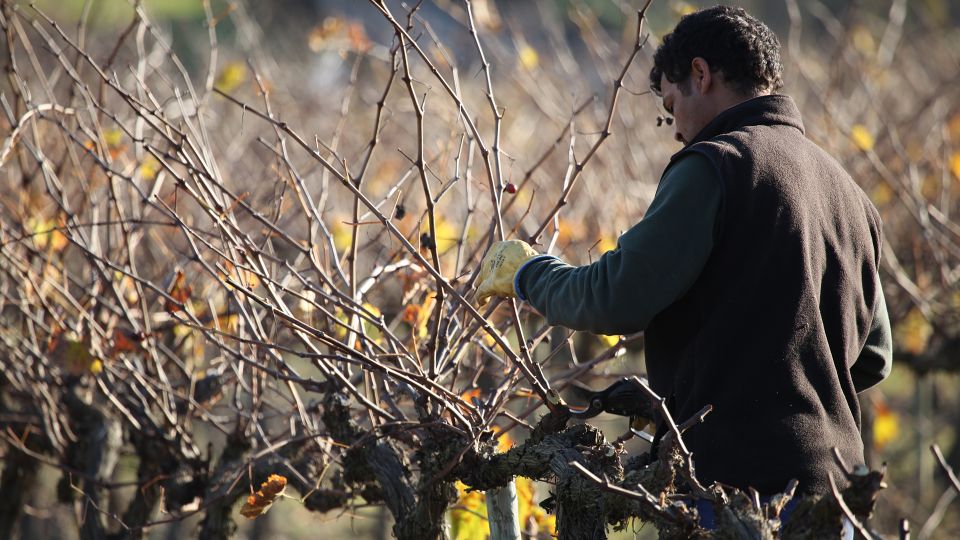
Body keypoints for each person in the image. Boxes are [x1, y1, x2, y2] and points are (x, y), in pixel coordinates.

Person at [475, 5, 892, 501]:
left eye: (672, 106)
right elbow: (873, 358)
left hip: (737, 488)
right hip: (838, 491)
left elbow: (615, 295)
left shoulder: (717, 166)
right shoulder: (851, 196)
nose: (674, 129)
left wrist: (529, 273)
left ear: (700, 74)